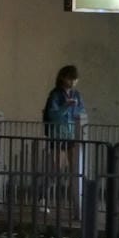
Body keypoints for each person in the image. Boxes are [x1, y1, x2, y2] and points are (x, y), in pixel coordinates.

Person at [42, 64, 85, 215]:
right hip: (58, 136)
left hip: (72, 136)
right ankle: (43, 198)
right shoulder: (55, 95)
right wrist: (66, 107)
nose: (73, 82)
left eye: (75, 79)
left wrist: (74, 110)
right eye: (70, 78)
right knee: (55, 169)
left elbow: (82, 112)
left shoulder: (76, 94)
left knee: (76, 170)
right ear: (63, 78)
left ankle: (77, 204)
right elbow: (52, 115)